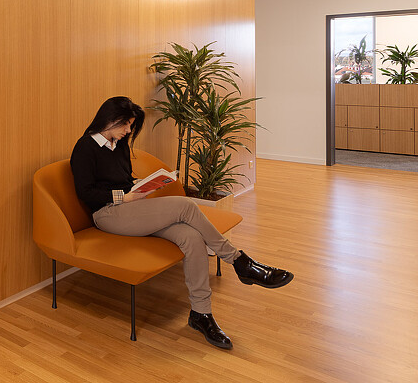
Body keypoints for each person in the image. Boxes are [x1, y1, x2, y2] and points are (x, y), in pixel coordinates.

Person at [69, 96, 293, 350]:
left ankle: (201, 314)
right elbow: (86, 192)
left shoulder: (118, 144)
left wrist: (142, 186)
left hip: (131, 210)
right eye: (126, 125)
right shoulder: (85, 147)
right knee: (186, 205)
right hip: (107, 214)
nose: (129, 131)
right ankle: (240, 261)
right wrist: (125, 196)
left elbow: (123, 179)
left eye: (131, 125)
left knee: (191, 237)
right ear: (109, 119)